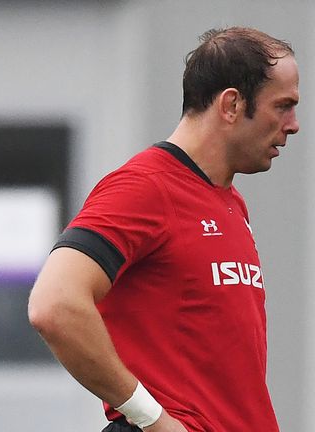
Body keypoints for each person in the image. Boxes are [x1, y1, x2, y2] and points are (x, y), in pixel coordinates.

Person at [28, 27, 299, 432]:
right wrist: (152, 419)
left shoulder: (228, 200)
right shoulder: (146, 187)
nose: (293, 125)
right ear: (231, 104)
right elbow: (55, 305)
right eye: (283, 106)